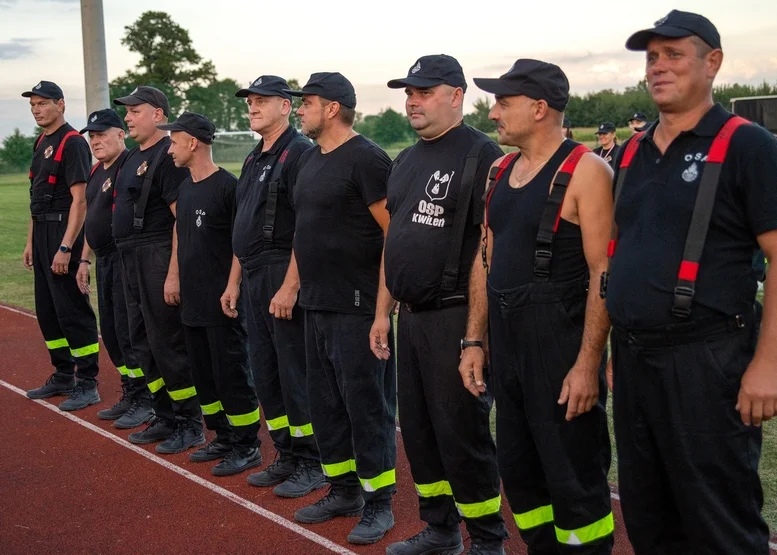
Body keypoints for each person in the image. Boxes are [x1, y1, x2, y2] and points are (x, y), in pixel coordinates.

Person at [604, 10, 777, 554]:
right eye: (652, 57)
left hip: (708, 362)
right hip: (634, 362)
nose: (658, 67)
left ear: (713, 63)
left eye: (674, 54)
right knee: (650, 516)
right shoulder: (630, 152)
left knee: (719, 524)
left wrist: (768, 364)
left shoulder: (749, 146)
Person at [463, 59, 615, 554]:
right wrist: (474, 340)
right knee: (521, 475)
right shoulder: (499, 170)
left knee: (573, 478)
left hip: (559, 350)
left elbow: (603, 273)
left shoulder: (587, 172)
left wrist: (588, 365)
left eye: (503, 103)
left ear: (539, 108)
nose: (493, 113)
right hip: (507, 349)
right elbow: (485, 259)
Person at [380, 54, 508, 555]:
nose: (412, 100)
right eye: (408, 92)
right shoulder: (407, 159)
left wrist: (476, 335)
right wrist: (380, 311)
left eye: (424, 91)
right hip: (408, 319)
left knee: (461, 433)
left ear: (456, 95)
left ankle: (487, 540)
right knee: (418, 432)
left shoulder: (482, 155)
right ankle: (440, 530)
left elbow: (488, 249)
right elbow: (396, 243)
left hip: (455, 316)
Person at [287, 72, 397, 545]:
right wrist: (291, 285)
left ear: (332, 108)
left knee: (365, 406)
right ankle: (343, 490)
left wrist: (381, 311)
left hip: (357, 308)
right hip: (316, 303)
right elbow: (303, 231)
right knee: (327, 405)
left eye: (306, 102)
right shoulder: (310, 161)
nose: (299, 109)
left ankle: (379, 503)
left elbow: (395, 235)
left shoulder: (368, 159)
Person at [231, 76, 323, 496]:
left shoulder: (299, 153)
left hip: (281, 272)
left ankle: (313, 460)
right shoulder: (253, 158)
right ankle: (286, 453)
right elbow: (241, 225)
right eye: (250, 101)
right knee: (266, 373)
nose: (252, 107)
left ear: (286, 106)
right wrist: (234, 281)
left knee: (294, 373)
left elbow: (308, 227)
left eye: (261, 100)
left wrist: (290, 286)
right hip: (252, 274)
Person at [156, 111, 262, 475]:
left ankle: (247, 444)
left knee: (230, 373)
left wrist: (232, 285)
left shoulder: (227, 187)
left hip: (222, 301)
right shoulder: (184, 188)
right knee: (203, 374)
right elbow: (179, 233)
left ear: (193, 142)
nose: (169, 148)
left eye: (173, 141)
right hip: (193, 299)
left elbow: (240, 242)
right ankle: (221, 436)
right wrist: (173, 276)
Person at [111, 86, 204, 453]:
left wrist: (173, 272)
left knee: (168, 343)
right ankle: (164, 414)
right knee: (142, 341)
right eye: (127, 112)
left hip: (156, 256)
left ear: (158, 115)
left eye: (135, 111)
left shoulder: (168, 156)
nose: (128, 117)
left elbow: (180, 220)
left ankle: (188, 421)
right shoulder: (134, 156)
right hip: (130, 258)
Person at [22, 81, 101, 411]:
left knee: (71, 309)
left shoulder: (72, 142)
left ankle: (88, 382)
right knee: (48, 310)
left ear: (61, 104)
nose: (37, 109)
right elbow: (35, 198)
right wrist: (30, 241)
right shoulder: (41, 141)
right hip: (42, 233)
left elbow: (80, 201)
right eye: (33, 105)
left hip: (62, 233)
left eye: (43, 103)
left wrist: (66, 247)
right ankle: (63, 373)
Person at [76, 109, 151, 426]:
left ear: (121, 134)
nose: (96, 141)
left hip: (124, 258)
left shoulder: (129, 166)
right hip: (103, 259)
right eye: (92, 136)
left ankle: (145, 398)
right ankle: (130, 392)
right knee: (110, 331)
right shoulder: (96, 171)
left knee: (129, 331)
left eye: (102, 134)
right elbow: (92, 217)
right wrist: (83, 258)